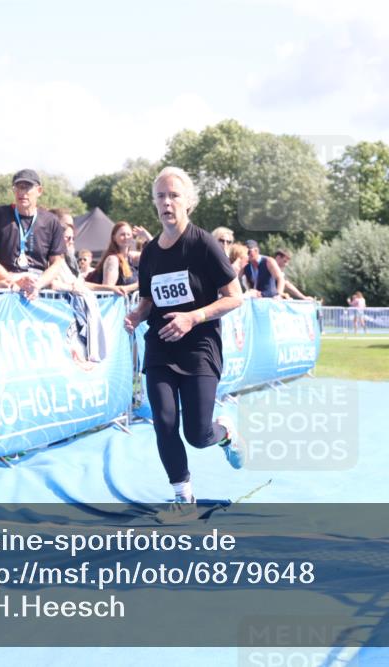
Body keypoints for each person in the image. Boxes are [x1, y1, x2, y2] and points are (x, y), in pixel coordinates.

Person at [123, 167, 244, 508]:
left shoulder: (203, 243)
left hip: (199, 349)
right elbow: (148, 299)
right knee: (163, 421)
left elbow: (234, 296)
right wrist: (136, 314)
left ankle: (225, 433)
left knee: (197, 434)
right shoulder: (149, 253)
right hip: (160, 346)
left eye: (174, 195)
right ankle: (183, 498)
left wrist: (193, 317)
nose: (167, 202)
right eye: (160, 196)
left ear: (188, 202)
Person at [0, 169, 67, 299]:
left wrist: (38, 284)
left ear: (39, 191)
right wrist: (12, 280)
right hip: (5, 290)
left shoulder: (51, 221)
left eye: (27, 187)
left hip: (37, 290)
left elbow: (57, 263)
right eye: (18, 187)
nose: (22, 192)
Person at [84, 221, 153, 295]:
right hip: (119, 305)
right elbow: (108, 291)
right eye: (122, 235)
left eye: (128, 234)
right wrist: (137, 285)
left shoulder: (132, 257)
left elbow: (154, 253)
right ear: (114, 238)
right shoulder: (112, 260)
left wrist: (147, 235)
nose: (126, 237)